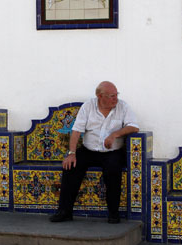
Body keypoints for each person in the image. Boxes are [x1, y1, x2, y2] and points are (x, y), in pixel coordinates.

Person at [49, 81, 139, 224]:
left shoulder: (123, 107)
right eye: (111, 96)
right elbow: (77, 130)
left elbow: (134, 127)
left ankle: (114, 213)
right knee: (70, 167)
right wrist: (71, 153)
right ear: (100, 96)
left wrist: (115, 134)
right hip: (89, 150)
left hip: (112, 151)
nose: (115, 99)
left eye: (116, 95)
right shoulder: (88, 106)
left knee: (113, 171)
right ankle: (65, 211)